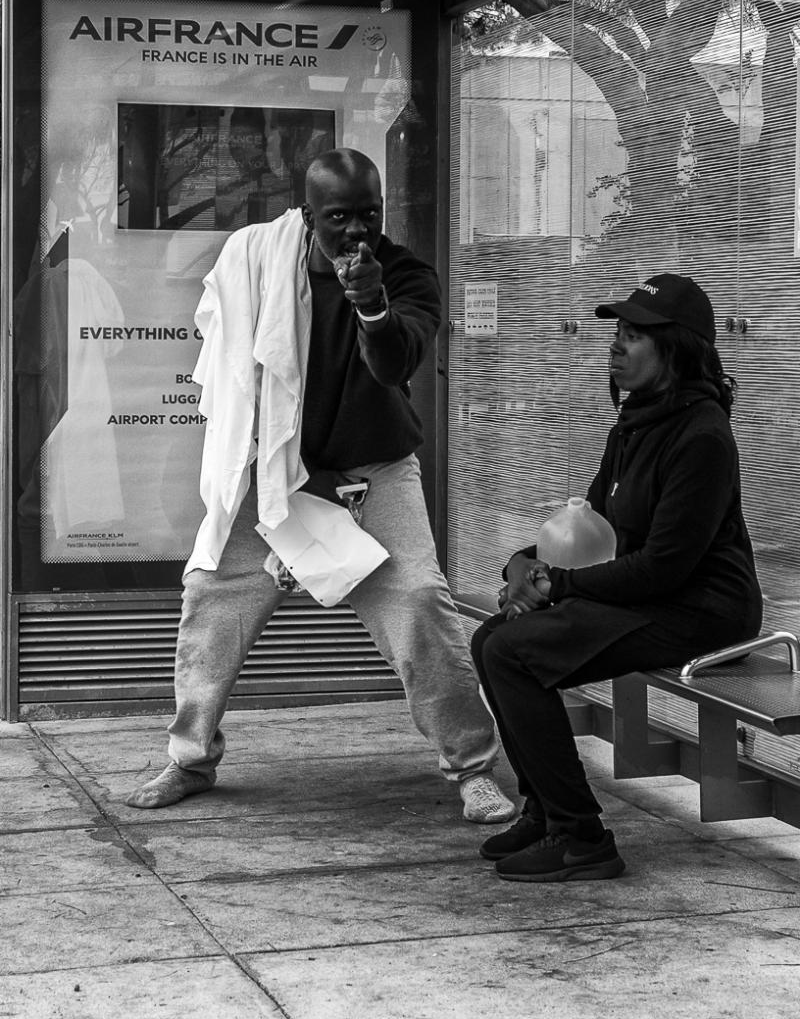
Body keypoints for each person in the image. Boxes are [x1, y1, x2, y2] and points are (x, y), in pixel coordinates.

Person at [126, 147, 515, 824]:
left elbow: (396, 364)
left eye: (370, 215)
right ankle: (189, 759)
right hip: (274, 470)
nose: (358, 233)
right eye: (341, 218)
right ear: (310, 216)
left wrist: (371, 307)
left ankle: (474, 769)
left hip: (375, 471)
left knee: (421, 602)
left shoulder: (406, 277)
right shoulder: (259, 261)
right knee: (211, 598)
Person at [471, 273, 762, 881]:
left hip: (700, 607)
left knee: (516, 652)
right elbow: (597, 526)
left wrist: (557, 586)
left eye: (635, 336)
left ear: (677, 349)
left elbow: (664, 566)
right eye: (619, 332)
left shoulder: (702, 435)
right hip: (649, 595)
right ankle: (546, 810)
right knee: (490, 639)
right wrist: (525, 563)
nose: (616, 345)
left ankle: (581, 838)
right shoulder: (633, 424)